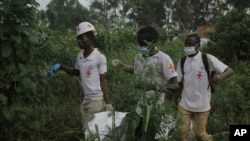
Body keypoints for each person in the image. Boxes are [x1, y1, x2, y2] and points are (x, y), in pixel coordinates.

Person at [112, 26, 178, 141]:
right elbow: (138, 69)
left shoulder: (163, 59)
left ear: (154, 42)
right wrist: (122, 66)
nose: (140, 47)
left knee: (148, 137)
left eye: (143, 44)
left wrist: (150, 87)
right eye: (139, 44)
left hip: (154, 109)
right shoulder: (138, 57)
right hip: (139, 106)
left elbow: (175, 86)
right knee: (134, 135)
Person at [49, 21, 113, 133]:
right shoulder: (80, 56)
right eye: (78, 38)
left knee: (90, 131)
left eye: (81, 38)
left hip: (96, 100)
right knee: (88, 128)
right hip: (86, 99)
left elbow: (103, 81)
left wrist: (107, 103)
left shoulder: (99, 57)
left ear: (90, 39)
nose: (79, 41)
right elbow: (76, 71)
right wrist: (61, 66)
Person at [175, 33, 234, 141]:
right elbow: (179, 82)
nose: (188, 47)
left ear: (198, 45)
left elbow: (229, 71)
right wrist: (175, 99)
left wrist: (220, 77)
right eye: (186, 44)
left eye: (191, 44)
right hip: (184, 104)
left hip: (202, 105)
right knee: (182, 134)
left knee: (200, 135)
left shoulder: (207, 58)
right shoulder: (182, 61)